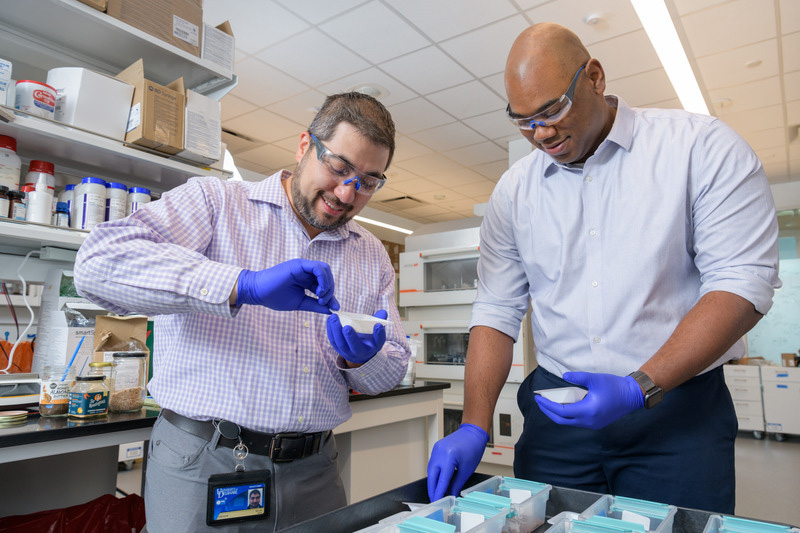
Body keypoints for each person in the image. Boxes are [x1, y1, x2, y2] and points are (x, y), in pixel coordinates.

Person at [426, 23, 780, 514]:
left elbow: (742, 284)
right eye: (522, 120)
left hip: (674, 413)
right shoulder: (514, 192)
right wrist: (473, 423)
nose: (540, 133)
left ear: (594, 76)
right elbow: (495, 310)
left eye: (551, 110)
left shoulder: (700, 149)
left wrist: (641, 387)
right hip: (557, 420)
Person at [73, 92, 410, 531]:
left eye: (368, 181)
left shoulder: (370, 255)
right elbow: (97, 264)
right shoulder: (217, 203)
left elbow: (393, 370)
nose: (348, 192)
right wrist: (240, 285)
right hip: (205, 461)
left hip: (316, 471)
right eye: (339, 167)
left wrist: (361, 359)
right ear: (305, 146)